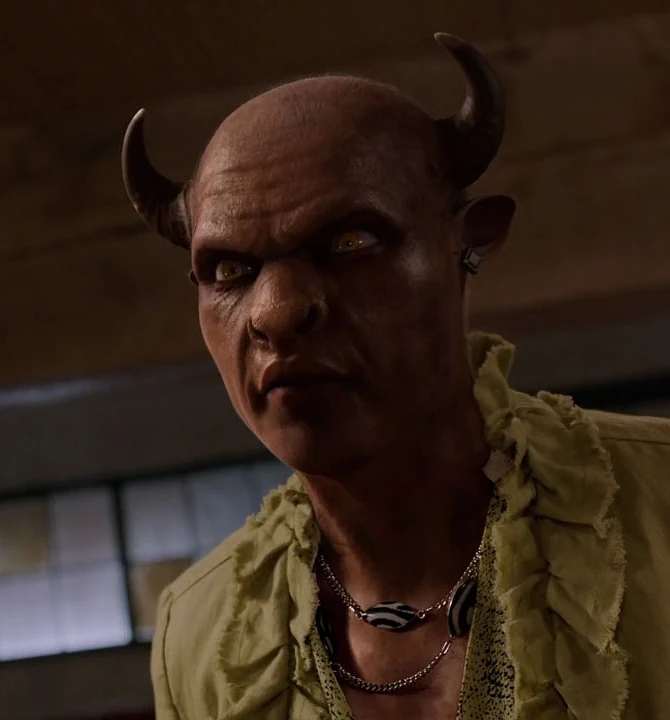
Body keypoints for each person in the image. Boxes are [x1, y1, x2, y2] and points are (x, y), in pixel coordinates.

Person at [121, 32, 670, 720]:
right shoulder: (200, 637)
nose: (277, 313)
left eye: (350, 242)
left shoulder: (658, 500)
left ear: (469, 241)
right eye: (229, 270)